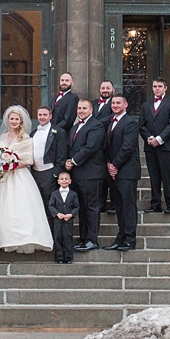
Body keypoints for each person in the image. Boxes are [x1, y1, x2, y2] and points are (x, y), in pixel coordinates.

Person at [0, 105, 53, 253]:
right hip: (1, 177)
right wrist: (1, 164)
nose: (14, 121)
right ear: (8, 120)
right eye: (11, 118)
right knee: (1, 206)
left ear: (21, 121)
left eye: (17, 119)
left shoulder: (26, 138)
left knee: (20, 207)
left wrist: (11, 165)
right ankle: (1, 238)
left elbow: (29, 160)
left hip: (19, 175)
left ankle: (22, 238)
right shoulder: (1, 137)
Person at [63, 98, 106, 252]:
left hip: (92, 174)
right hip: (78, 175)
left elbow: (90, 147)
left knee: (92, 208)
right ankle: (83, 239)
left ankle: (92, 240)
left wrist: (73, 161)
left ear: (91, 110)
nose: (81, 111)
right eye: (79, 108)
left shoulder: (96, 126)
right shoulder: (75, 127)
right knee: (81, 208)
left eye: (84, 108)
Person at [104, 95, 141, 252]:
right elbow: (106, 146)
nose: (115, 105)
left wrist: (115, 166)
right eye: (113, 103)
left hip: (127, 171)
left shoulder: (131, 123)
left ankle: (130, 239)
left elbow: (127, 147)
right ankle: (121, 237)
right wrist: (108, 164)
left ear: (125, 105)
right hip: (113, 172)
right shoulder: (109, 122)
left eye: (118, 103)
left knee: (128, 206)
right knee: (119, 206)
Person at [141, 78, 170, 214]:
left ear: (165, 88)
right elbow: (141, 125)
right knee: (154, 176)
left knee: (167, 176)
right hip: (150, 146)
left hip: (166, 147)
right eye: (154, 86)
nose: (156, 88)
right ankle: (155, 204)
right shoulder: (146, 105)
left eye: (159, 86)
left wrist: (159, 139)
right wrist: (149, 138)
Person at [29, 104, 62, 206]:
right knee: (37, 203)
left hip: (49, 172)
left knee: (49, 203)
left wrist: (54, 174)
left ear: (50, 116)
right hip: (34, 173)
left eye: (45, 115)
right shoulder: (33, 133)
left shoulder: (58, 132)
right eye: (40, 115)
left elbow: (62, 154)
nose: (42, 117)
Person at [94, 80, 116, 213]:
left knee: (111, 177)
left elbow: (112, 118)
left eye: (108, 88)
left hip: (110, 142)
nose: (105, 90)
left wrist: (94, 123)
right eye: (103, 88)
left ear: (113, 90)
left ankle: (113, 205)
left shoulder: (115, 104)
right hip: (96, 145)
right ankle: (100, 204)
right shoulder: (93, 103)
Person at [49, 171, 79, 264]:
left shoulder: (73, 194)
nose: (64, 181)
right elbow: (51, 206)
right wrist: (57, 214)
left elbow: (77, 206)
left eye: (66, 179)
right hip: (58, 220)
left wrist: (71, 214)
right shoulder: (54, 194)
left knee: (68, 238)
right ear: (58, 181)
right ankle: (59, 257)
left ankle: (68, 257)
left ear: (70, 181)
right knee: (58, 238)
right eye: (62, 179)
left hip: (68, 220)